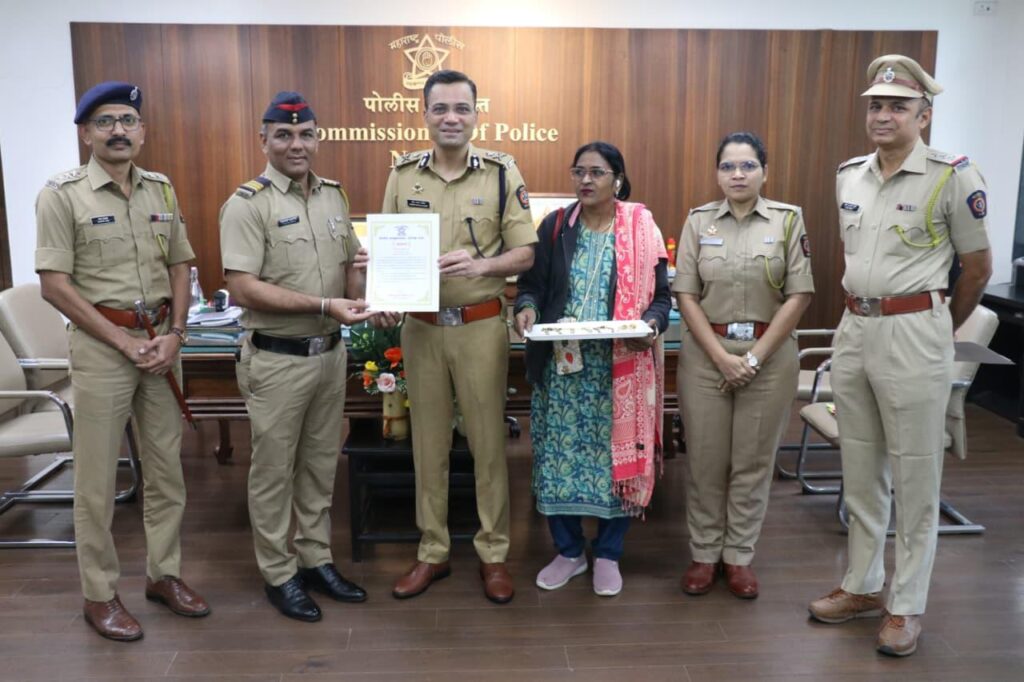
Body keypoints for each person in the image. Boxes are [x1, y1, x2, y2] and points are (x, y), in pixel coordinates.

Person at [808, 55, 991, 657]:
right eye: (876, 105)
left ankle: (906, 605)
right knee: (861, 467)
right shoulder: (849, 175)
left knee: (915, 474)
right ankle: (863, 586)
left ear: (924, 115)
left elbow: (977, 267)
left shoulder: (951, 175)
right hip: (855, 328)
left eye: (898, 106)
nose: (883, 115)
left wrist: (939, 327)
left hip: (916, 330)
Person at [35, 81, 209, 641]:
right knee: (96, 479)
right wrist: (121, 340)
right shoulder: (61, 195)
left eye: (128, 121)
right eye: (106, 122)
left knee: (166, 471)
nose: (118, 131)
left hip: (159, 345)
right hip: (102, 349)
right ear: (86, 133)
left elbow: (181, 265)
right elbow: (55, 286)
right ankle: (99, 593)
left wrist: (176, 334)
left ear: (142, 132)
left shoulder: (161, 188)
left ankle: (164, 575)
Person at [220, 92, 376, 622]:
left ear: (317, 138)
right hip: (277, 359)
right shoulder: (248, 204)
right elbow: (243, 287)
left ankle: (315, 559)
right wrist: (325, 305)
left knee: (318, 466)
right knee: (273, 473)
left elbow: (349, 274)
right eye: (284, 135)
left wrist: (365, 295)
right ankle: (278, 572)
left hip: (330, 355)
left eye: (306, 134)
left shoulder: (333, 197)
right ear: (263, 139)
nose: (296, 144)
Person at [382, 70, 537, 604]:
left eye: (461, 108)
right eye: (441, 108)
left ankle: (494, 554)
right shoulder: (403, 175)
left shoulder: (501, 172)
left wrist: (482, 264)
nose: (451, 117)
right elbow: (387, 253)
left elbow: (526, 253)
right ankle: (433, 551)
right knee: (428, 446)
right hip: (421, 329)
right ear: (425, 115)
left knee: (488, 446)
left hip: (480, 327)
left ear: (476, 114)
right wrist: (381, 288)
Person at [514, 141, 670, 597]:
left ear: (617, 179)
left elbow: (662, 299)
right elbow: (531, 285)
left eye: (597, 172)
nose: (585, 180)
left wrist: (651, 325)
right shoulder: (555, 226)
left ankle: (608, 553)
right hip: (562, 372)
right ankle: (568, 552)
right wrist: (526, 308)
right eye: (578, 171)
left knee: (613, 464)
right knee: (557, 461)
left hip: (619, 371)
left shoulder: (641, 227)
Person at [674, 131, 815, 600]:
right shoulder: (698, 222)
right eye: (728, 166)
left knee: (753, 462)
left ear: (764, 172)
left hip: (768, 358)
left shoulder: (788, 220)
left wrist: (752, 358)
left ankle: (738, 555)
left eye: (748, 165)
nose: (738, 174)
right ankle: (704, 553)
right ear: (718, 174)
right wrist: (721, 358)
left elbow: (799, 295)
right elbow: (686, 295)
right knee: (705, 461)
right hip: (706, 356)